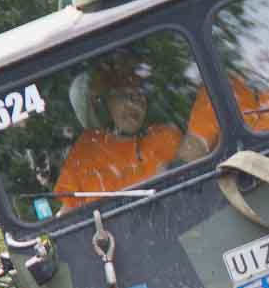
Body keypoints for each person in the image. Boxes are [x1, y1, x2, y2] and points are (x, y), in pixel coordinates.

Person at [54, 58, 182, 210]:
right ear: (103, 104)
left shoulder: (165, 137)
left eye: (140, 94)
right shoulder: (86, 151)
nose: (134, 103)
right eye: (124, 94)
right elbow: (69, 214)